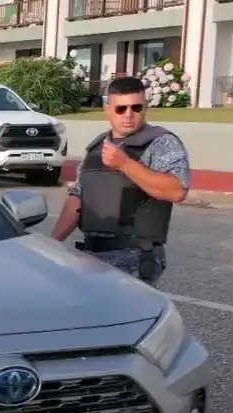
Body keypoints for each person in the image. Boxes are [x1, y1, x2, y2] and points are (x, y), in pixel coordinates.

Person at [52, 75, 191, 287]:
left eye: (136, 108)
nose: (129, 115)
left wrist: (125, 164)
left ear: (145, 108)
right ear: (107, 109)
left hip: (134, 256)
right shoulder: (99, 146)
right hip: (92, 256)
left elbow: (177, 191)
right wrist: (53, 243)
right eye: (121, 109)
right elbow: (78, 198)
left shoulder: (161, 143)